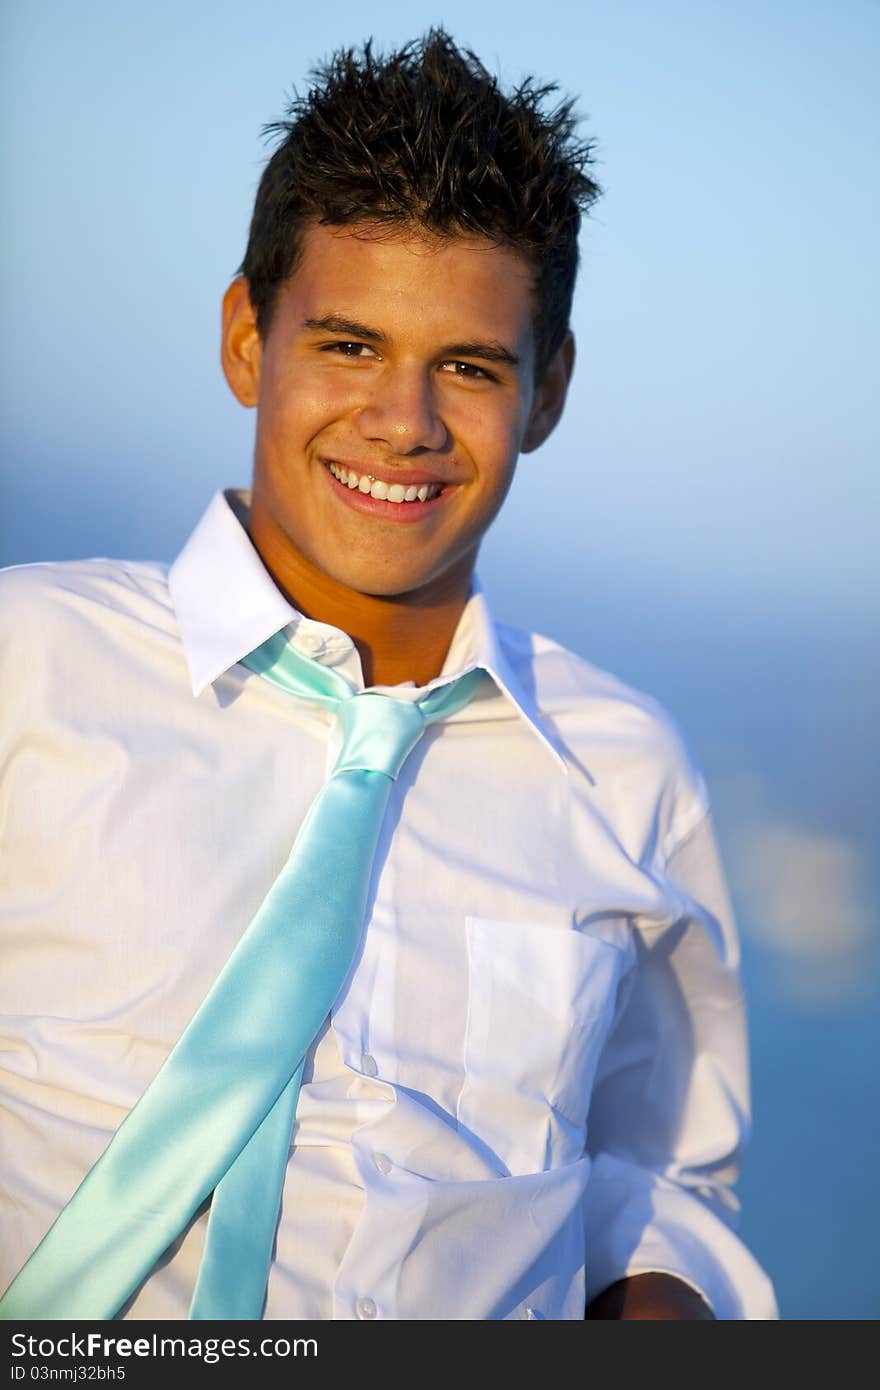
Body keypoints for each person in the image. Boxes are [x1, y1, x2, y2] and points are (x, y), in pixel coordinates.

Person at [0, 30, 777, 1320]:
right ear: (249, 337)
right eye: (349, 346)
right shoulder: (27, 664)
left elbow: (660, 1176)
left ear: (548, 391)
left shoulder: (625, 771)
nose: (403, 423)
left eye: (468, 367)